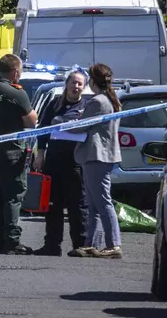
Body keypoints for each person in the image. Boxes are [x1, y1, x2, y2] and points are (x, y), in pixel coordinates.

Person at [32, 66, 89, 257]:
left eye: (80, 84)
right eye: (73, 82)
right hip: (54, 161)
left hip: (75, 163)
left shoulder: (87, 106)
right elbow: (43, 130)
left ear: (84, 87)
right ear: (66, 84)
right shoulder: (55, 104)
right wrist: (40, 154)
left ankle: (80, 245)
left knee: (77, 205)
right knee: (53, 204)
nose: (76, 86)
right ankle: (52, 245)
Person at [0, 54, 38, 255]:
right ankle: (12, 241)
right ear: (15, 72)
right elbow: (32, 122)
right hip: (12, 152)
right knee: (13, 197)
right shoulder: (16, 93)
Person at [68, 63, 123, 259]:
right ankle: (91, 243)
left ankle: (114, 244)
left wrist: (63, 125)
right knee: (93, 203)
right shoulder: (110, 100)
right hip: (100, 157)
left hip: (96, 157)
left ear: (93, 81)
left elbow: (80, 127)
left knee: (103, 202)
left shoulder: (98, 102)